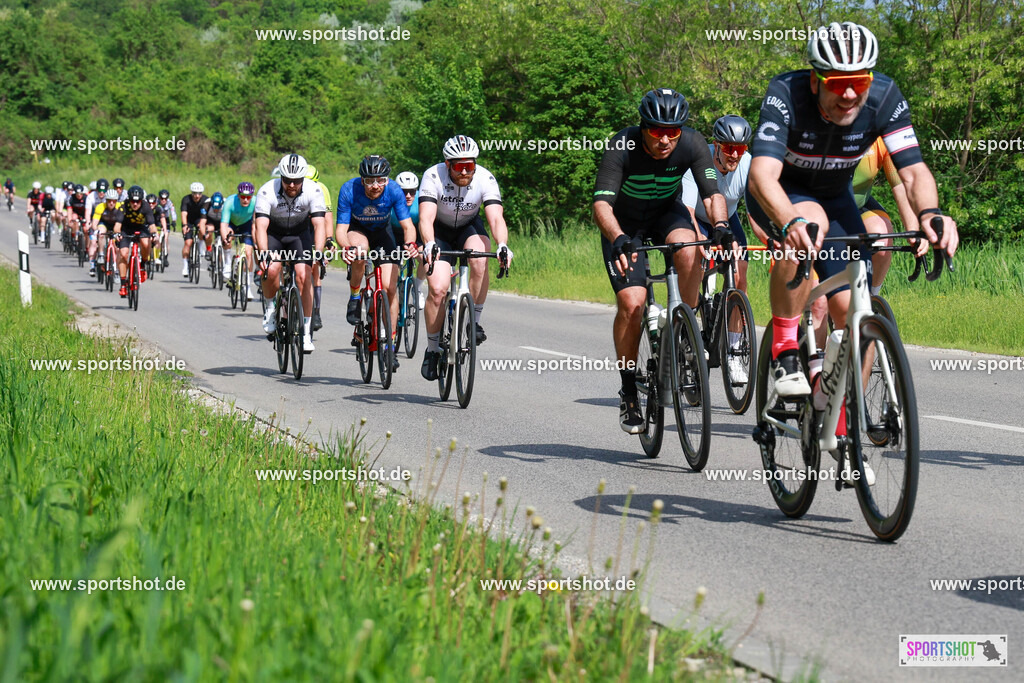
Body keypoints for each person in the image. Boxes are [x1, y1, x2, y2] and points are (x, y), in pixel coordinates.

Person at [746, 21, 958, 401]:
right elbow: (762, 175)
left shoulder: (884, 96)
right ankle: (785, 349)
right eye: (835, 83)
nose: (848, 94)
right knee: (811, 223)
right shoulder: (786, 93)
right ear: (814, 80)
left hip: (835, 193)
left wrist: (930, 213)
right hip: (781, 192)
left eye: (858, 83)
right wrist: (790, 220)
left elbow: (912, 171)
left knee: (851, 313)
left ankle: (842, 418)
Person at [593, 88, 727, 433]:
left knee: (690, 247)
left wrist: (722, 225)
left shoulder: (693, 144)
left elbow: (712, 194)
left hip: (667, 215)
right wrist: (619, 238)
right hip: (625, 226)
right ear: (643, 128)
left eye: (673, 131)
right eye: (656, 131)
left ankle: (684, 333)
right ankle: (628, 390)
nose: (665, 139)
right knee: (632, 304)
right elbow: (602, 205)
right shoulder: (622, 146)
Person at [419, 135, 513, 380]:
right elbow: (426, 218)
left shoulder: (485, 178)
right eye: (459, 166)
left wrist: (502, 244)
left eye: (469, 166)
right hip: (439, 231)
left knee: (481, 259)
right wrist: (428, 243)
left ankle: (474, 322)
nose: (464, 172)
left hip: (468, 227)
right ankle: (431, 349)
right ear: (447, 164)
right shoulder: (432, 176)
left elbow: (495, 218)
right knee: (438, 290)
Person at [680, 114, 761, 383]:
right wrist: (699, 242)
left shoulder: (748, 164)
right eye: (728, 148)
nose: (734, 155)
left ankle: (735, 353)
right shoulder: (700, 163)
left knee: (739, 277)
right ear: (717, 145)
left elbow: (755, 210)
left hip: (729, 219)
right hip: (699, 219)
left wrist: (770, 238)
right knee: (694, 263)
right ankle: (688, 331)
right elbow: (688, 211)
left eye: (740, 148)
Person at [336, 155, 417, 370]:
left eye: (380, 180)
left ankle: (389, 346)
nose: (375, 186)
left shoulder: (393, 190)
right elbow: (341, 230)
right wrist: (347, 248)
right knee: (360, 253)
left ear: (387, 180)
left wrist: (410, 243)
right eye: (370, 180)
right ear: (362, 180)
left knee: (390, 289)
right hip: (357, 229)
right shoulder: (348, 189)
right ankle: (355, 295)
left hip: (383, 233)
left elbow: (408, 226)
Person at [255, 153, 327, 352]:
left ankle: (305, 332)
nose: (292, 185)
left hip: (299, 236)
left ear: (303, 178)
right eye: (287, 180)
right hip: (274, 235)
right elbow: (260, 226)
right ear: (281, 177)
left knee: (305, 276)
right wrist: (263, 253)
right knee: (271, 270)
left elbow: (319, 224)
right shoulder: (267, 191)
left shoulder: (314, 190)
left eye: (296, 181)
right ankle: (270, 308)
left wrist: (319, 253)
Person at [852, 136, 918, 294]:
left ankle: (871, 298)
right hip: (822, 204)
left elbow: (899, 185)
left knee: (883, 238)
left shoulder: (880, 140)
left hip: (859, 203)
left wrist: (914, 231)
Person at [113, 185, 157, 297]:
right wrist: (117, 234)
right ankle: (123, 284)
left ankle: (142, 264)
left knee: (146, 243)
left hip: (141, 228)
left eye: (138, 201)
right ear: (129, 200)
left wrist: (154, 234)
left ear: (142, 200)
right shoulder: (123, 206)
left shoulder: (146, 207)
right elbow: (117, 225)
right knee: (123, 254)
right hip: (126, 229)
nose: (135, 204)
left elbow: (152, 225)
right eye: (133, 201)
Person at [305, 165, 333, 331]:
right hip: (297, 224)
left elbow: (327, 218)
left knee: (315, 267)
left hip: (316, 224)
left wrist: (329, 240)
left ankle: (316, 312)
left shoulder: (322, 190)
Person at [392, 171, 425, 308]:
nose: (408, 196)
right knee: (392, 263)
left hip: (415, 232)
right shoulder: (390, 201)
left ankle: (417, 288)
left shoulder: (421, 201)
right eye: (403, 191)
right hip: (394, 232)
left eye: (411, 191)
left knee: (424, 258)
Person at [220, 181, 258, 300]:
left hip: (246, 225)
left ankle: (247, 286)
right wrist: (225, 239)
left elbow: (255, 225)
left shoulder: (256, 202)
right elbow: (223, 225)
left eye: (248, 197)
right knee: (228, 238)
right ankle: (227, 264)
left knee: (248, 253)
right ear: (238, 196)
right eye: (243, 197)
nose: (246, 200)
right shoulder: (230, 202)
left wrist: (256, 242)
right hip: (231, 223)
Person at [180, 182, 209, 277]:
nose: (197, 195)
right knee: (188, 243)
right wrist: (184, 225)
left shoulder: (205, 200)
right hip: (188, 221)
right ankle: (185, 265)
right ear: (192, 193)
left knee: (202, 228)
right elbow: (184, 214)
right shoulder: (186, 199)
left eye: (199, 193)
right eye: (195, 193)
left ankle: (200, 246)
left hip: (199, 219)